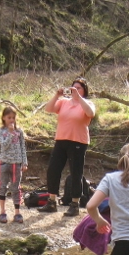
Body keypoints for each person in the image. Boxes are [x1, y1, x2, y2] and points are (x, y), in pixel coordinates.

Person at [39, 77, 95, 216]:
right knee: (53, 170)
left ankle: (75, 204)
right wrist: (56, 95)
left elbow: (90, 113)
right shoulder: (64, 102)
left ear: (84, 90)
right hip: (61, 140)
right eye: (73, 87)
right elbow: (48, 108)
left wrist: (79, 98)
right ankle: (51, 201)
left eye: (78, 88)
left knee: (76, 173)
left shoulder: (87, 103)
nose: (74, 90)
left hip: (78, 142)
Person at [0, 105, 28, 224]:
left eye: (13, 118)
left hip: (17, 164)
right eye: (9, 117)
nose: (11, 120)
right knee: (2, 186)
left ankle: (17, 212)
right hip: (4, 163)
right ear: (4, 118)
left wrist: (24, 162)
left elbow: (22, 147)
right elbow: (4, 145)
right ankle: (2, 211)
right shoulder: (1, 131)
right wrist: (10, 133)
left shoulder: (19, 131)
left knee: (15, 188)